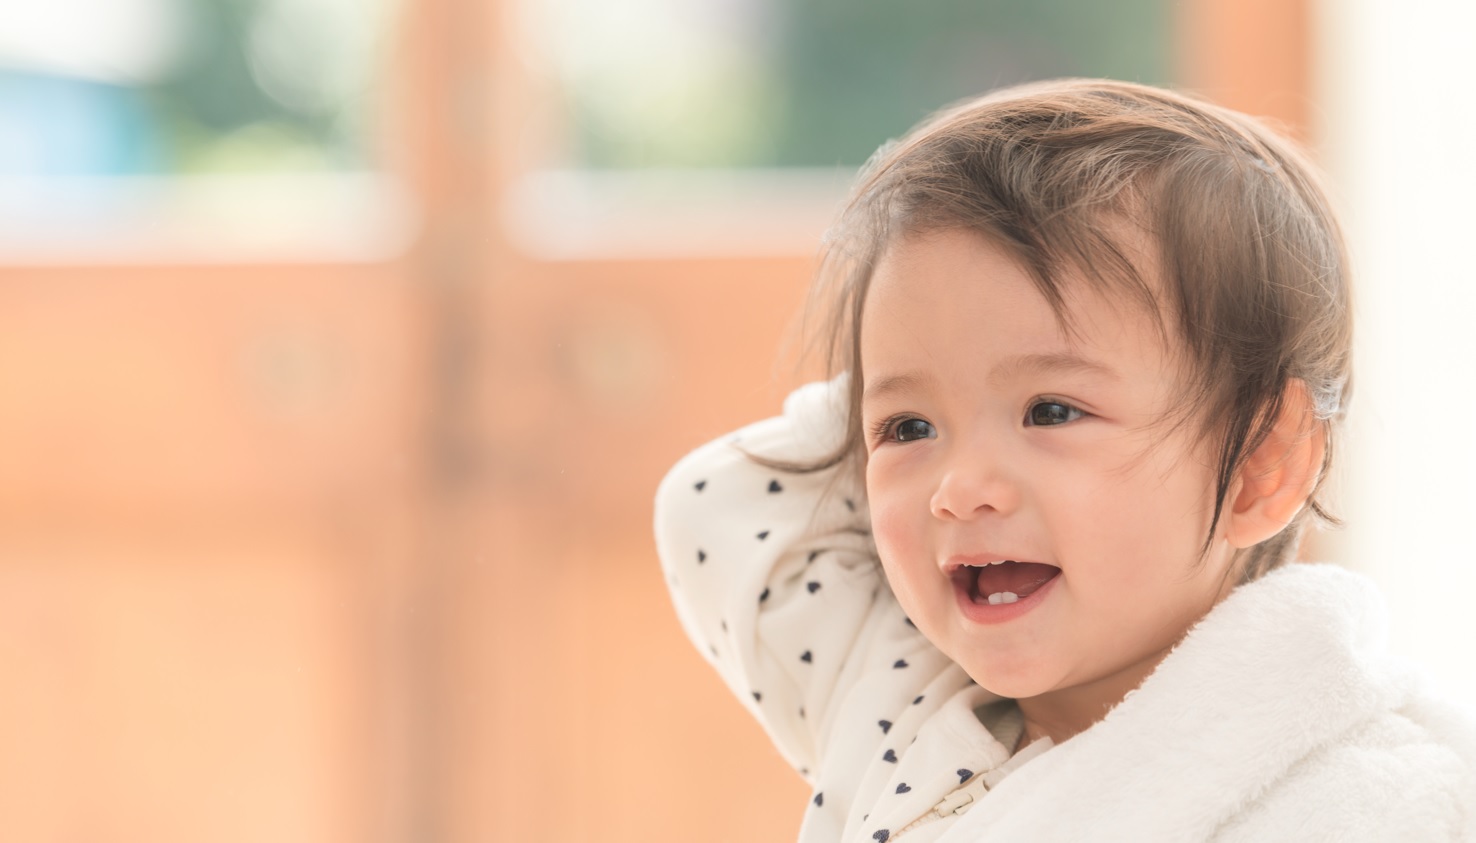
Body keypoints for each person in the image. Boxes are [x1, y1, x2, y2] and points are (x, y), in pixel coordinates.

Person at [652, 79, 1476, 842]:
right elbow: (716, 503)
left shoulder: (1364, 799)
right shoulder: (898, 694)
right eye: (908, 427)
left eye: (1050, 410)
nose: (958, 489)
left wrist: (935, 380)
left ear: (1262, 463)